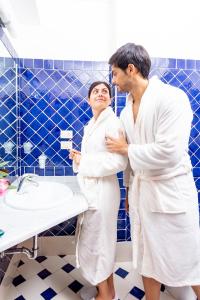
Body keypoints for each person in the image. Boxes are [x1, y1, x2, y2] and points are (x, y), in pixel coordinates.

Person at [105, 43, 200, 300]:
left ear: (131, 69)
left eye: (115, 73)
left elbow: (170, 151)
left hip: (171, 194)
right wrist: (127, 190)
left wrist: (127, 149)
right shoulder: (126, 111)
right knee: (146, 256)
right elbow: (128, 161)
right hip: (141, 193)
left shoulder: (172, 98)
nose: (113, 81)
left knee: (189, 262)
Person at [69, 81, 127, 300]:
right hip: (94, 190)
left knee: (98, 245)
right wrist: (79, 159)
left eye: (105, 91)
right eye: (96, 91)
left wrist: (85, 161)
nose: (101, 94)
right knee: (100, 243)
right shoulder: (92, 123)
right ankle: (107, 289)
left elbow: (119, 162)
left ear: (110, 99)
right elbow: (92, 158)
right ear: (88, 99)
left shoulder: (112, 123)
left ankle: (105, 295)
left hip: (103, 193)